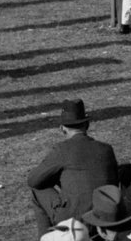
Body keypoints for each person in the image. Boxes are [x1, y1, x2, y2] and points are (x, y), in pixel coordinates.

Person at [25, 99, 119, 232]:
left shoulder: (62, 149)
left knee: (37, 189)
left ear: (62, 128)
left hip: (75, 219)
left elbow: (33, 180)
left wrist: (55, 179)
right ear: (87, 124)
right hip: (106, 215)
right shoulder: (106, 149)